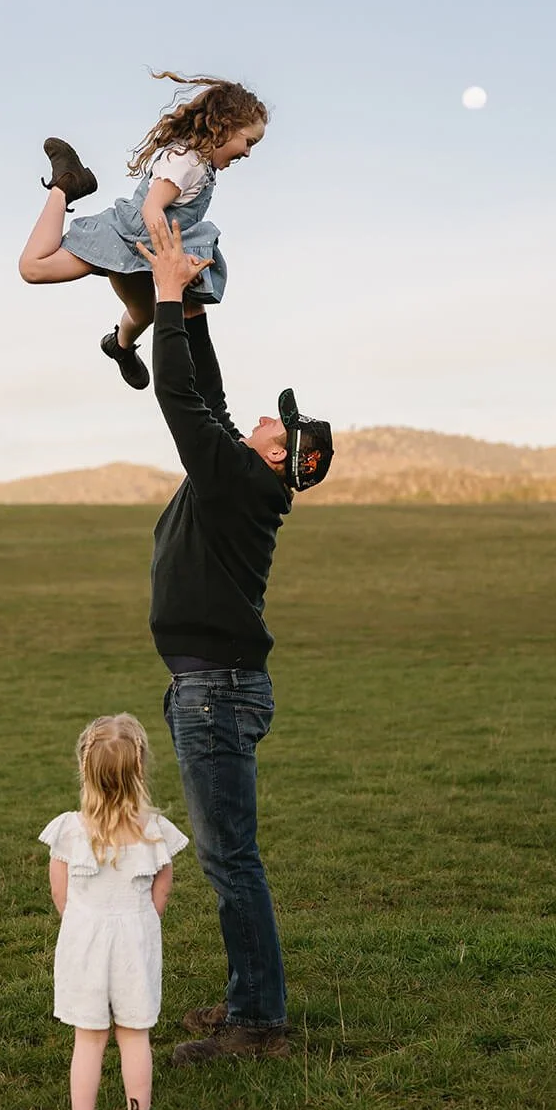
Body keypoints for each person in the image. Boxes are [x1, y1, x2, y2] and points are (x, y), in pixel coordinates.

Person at [134, 217, 334, 1066]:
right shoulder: (241, 477)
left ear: (285, 458)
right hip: (208, 686)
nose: (260, 417)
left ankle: (260, 1025)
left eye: (276, 424)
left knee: (230, 861)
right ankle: (249, 1002)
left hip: (216, 691)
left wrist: (172, 296)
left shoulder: (239, 484)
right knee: (228, 858)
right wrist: (201, 315)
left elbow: (180, 400)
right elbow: (207, 399)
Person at [17, 71, 268, 390]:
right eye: (248, 142)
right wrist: (171, 263)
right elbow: (152, 209)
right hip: (122, 238)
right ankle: (66, 185)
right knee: (33, 268)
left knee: (144, 313)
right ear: (225, 126)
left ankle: (118, 347)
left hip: (143, 252)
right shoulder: (186, 162)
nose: (247, 152)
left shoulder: (201, 165)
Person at [38, 713, 188, 1110]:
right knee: (134, 1033)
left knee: (89, 1037)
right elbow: (163, 885)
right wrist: (144, 921)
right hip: (134, 940)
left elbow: (58, 890)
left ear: (85, 770)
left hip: (84, 940)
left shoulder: (70, 829)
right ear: (140, 768)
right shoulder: (153, 831)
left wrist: (81, 922)